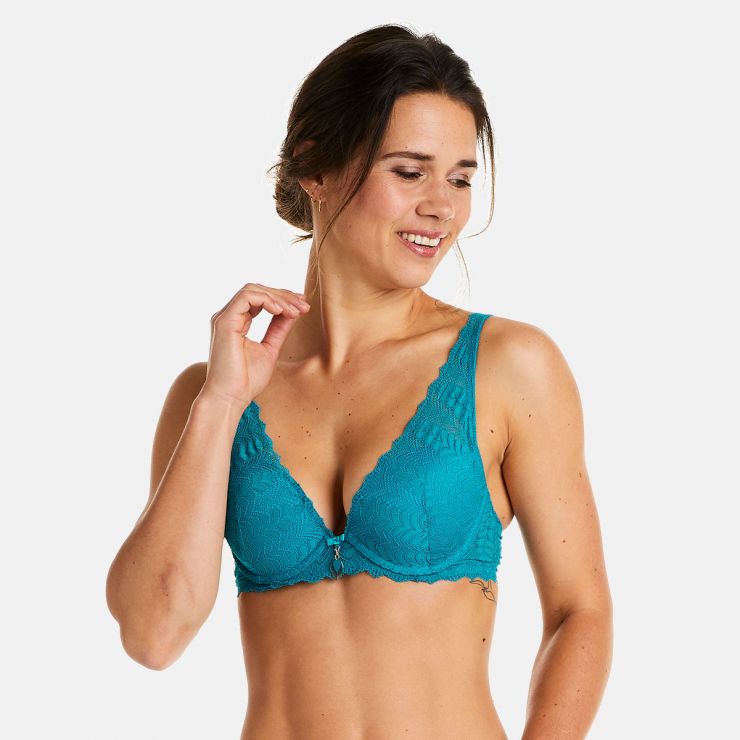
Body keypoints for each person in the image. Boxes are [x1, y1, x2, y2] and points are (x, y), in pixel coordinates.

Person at [106, 23, 613, 739]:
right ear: (313, 167)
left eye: (461, 178)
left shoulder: (507, 365)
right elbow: (153, 636)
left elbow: (579, 610)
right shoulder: (213, 393)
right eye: (409, 172)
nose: (442, 207)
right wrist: (220, 405)